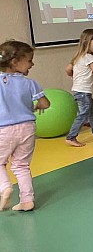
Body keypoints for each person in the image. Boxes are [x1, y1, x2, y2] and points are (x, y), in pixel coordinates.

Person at [0, 40, 50, 212]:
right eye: (29, 60)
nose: (32, 64)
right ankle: (27, 200)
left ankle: (5, 187)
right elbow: (45, 103)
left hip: (3, 130)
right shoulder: (30, 83)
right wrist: (34, 107)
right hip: (28, 128)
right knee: (21, 165)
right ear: (15, 62)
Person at [65, 28, 93, 147]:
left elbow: (67, 69)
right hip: (83, 92)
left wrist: (74, 76)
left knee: (92, 109)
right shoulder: (89, 57)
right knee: (83, 114)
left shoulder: (78, 57)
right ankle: (71, 137)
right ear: (87, 42)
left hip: (79, 90)